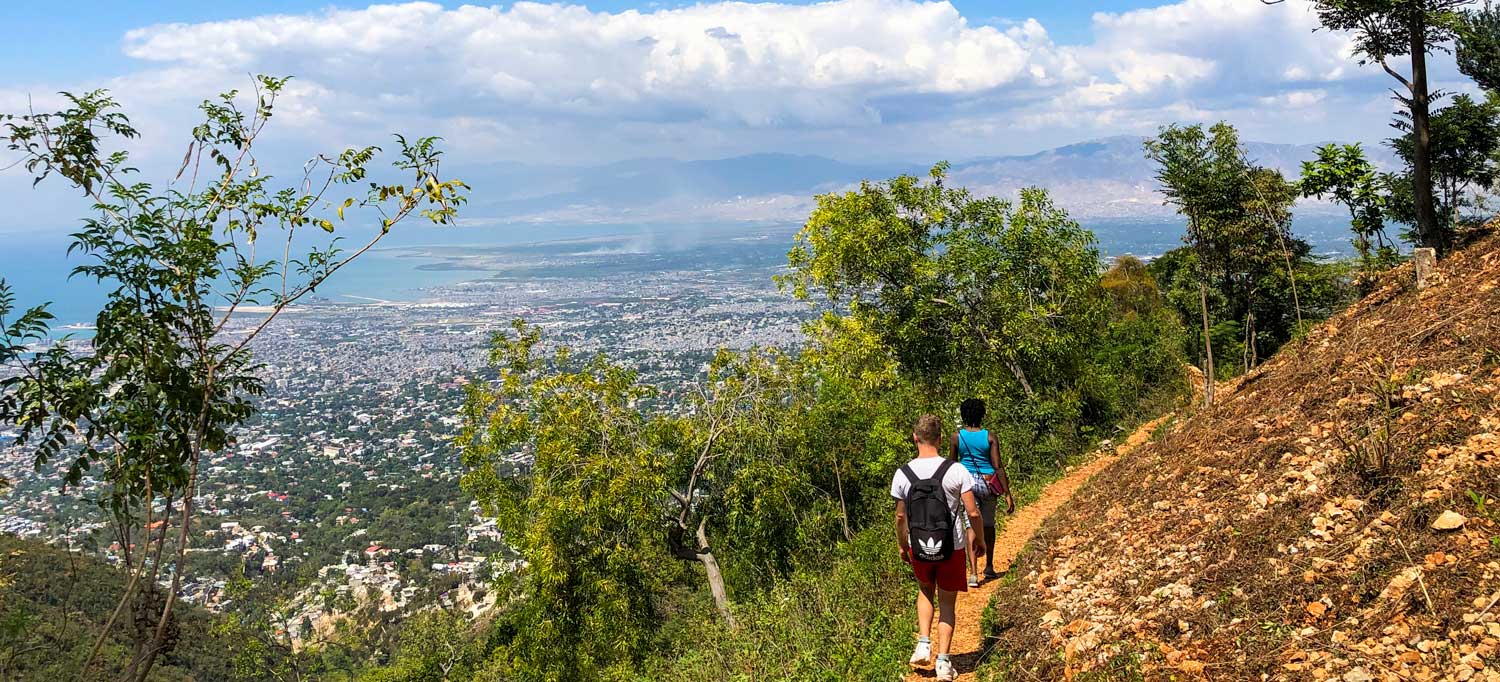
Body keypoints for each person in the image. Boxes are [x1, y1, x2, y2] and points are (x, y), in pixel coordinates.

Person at [893, 414, 987, 682]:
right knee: (947, 603)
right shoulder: (956, 471)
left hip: (919, 546)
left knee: (925, 591)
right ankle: (944, 663)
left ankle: (923, 642)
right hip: (953, 547)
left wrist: (903, 545)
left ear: (915, 438)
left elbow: (901, 517)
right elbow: (974, 512)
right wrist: (978, 541)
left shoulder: (903, 473)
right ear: (941, 439)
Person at [951, 398, 1014, 581]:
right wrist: (1007, 493)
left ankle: (972, 573)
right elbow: (997, 466)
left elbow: (952, 465)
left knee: (971, 525)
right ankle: (989, 566)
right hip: (987, 484)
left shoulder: (957, 437)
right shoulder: (990, 437)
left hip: (967, 484)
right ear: (982, 415)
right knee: (988, 525)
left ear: (963, 415)